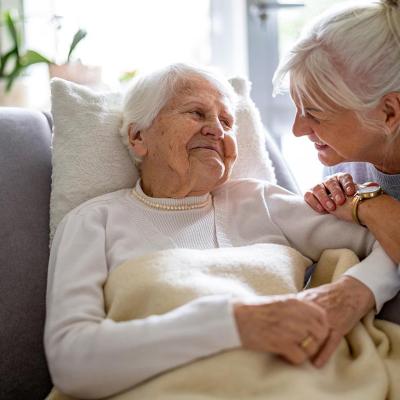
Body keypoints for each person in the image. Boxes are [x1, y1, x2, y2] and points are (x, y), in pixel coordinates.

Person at [45, 63, 399, 399]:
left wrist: (359, 290)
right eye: (196, 114)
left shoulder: (259, 201)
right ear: (139, 137)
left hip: (307, 381)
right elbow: (72, 360)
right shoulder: (93, 222)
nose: (217, 129)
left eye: (227, 121)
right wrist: (232, 324)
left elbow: (388, 242)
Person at [273, 0, 400, 267]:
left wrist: (367, 204)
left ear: (389, 112)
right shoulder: (347, 159)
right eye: (297, 108)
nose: (297, 130)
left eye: (315, 114)